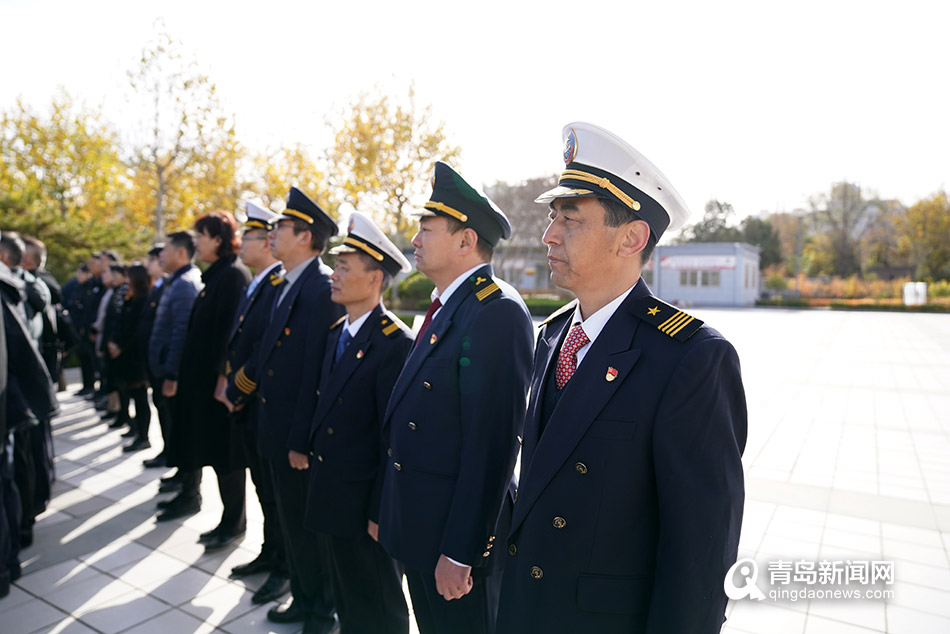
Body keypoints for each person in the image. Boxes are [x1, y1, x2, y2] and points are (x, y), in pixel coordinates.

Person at [494, 122, 748, 634]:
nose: (549, 235)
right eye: (552, 216)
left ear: (631, 238)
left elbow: (700, 557)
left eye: (571, 218)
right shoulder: (552, 336)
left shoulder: (690, 358)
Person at [377, 162, 533, 634]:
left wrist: (462, 551)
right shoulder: (450, 305)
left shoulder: (495, 312)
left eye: (427, 230)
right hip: (421, 527)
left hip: (454, 542)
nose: (415, 240)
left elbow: (492, 447)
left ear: (466, 241)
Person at [224, 187, 342, 634]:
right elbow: (267, 352)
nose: (271, 234)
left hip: (296, 437)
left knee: (306, 531)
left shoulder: (319, 287)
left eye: (281, 228)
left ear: (306, 236)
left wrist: (299, 441)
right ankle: (304, 599)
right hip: (273, 426)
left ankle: (319, 612)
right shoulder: (287, 282)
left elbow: (314, 375)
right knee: (289, 525)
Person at [305, 212, 413, 634]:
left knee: (379, 603)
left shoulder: (393, 343)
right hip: (332, 491)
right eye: (336, 265)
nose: (333, 275)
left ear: (374, 279)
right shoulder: (338, 332)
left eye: (344, 267)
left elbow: (393, 439)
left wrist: (380, 510)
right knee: (348, 595)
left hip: (365, 502)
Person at [160, 214, 251, 542]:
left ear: (219, 239)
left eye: (202, 236)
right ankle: (221, 516)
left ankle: (234, 523)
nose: (196, 242)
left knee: (226, 457)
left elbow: (230, 336)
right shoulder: (217, 275)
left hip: (217, 388)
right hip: (201, 384)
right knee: (210, 451)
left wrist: (222, 378)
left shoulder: (233, 276)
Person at [217, 202, 290, 604]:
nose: (242, 244)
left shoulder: (278, 284)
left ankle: (283, 565)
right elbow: (240, 340)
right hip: (248, 404)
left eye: (251, 237)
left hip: (260, 402)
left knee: (277, 497)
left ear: (266, 243)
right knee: (264, 490)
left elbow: (264, 348)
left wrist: (238, 389)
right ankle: (269, 551)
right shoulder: (258, 283)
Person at [147, 232, 203, 504]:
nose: (161, 255)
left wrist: (172, 373)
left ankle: (189, 491)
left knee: (184, 430)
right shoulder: (176, 280)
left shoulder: (185, 284)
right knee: (175, 428)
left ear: (181, 253)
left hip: (174, 374)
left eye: (165, 250)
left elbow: (181, 334)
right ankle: (182, 475)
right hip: (165, 370)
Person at [108, 264, 152, 452]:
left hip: (135, 358)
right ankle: (136, 429)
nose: (126, 282)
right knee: (130, 395)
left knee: (140, 399)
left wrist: (121, 346)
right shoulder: (130, 299)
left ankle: (143, 436)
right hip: (124, 357)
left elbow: (137, 331)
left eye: (129, 278)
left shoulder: (144, 301)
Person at [139, 246, 169, 466]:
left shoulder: (169, 286)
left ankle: (171, 455)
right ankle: (168, 452)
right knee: (161, 409)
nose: (148, 265)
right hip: (155, 362)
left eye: (152, 260)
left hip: (164, 364)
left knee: (168, 414)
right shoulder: (158, 286)